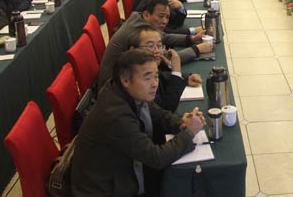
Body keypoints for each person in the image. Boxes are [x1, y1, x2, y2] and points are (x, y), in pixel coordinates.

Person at [71, 49, 204, 197]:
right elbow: (156, 158)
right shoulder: (115, 115)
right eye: (147, 78)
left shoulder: (126, 91)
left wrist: (182, 123)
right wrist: (188, 133)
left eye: (156, 76)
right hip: (105, 190)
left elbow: (159, 115)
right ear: (126, 80)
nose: (154, 84)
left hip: (121, 175)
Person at [98, 0, 212, 88]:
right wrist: (196, 50)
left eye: (167, 17)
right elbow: (163, 59)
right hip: (116, 85)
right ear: (146, 14)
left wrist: (191, 39)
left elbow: (164, 37)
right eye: (161, 16)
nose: (165, 21)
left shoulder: (139, 19)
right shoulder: (138, 31)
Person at [126, 26, 202, 112]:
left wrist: (185, 78)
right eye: (150, 46)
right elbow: (167, 107)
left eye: (159, 46)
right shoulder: (133, 79)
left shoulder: (142, 68)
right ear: (132, 50)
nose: (157, 51)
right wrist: (176, 71)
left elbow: (161, 75)